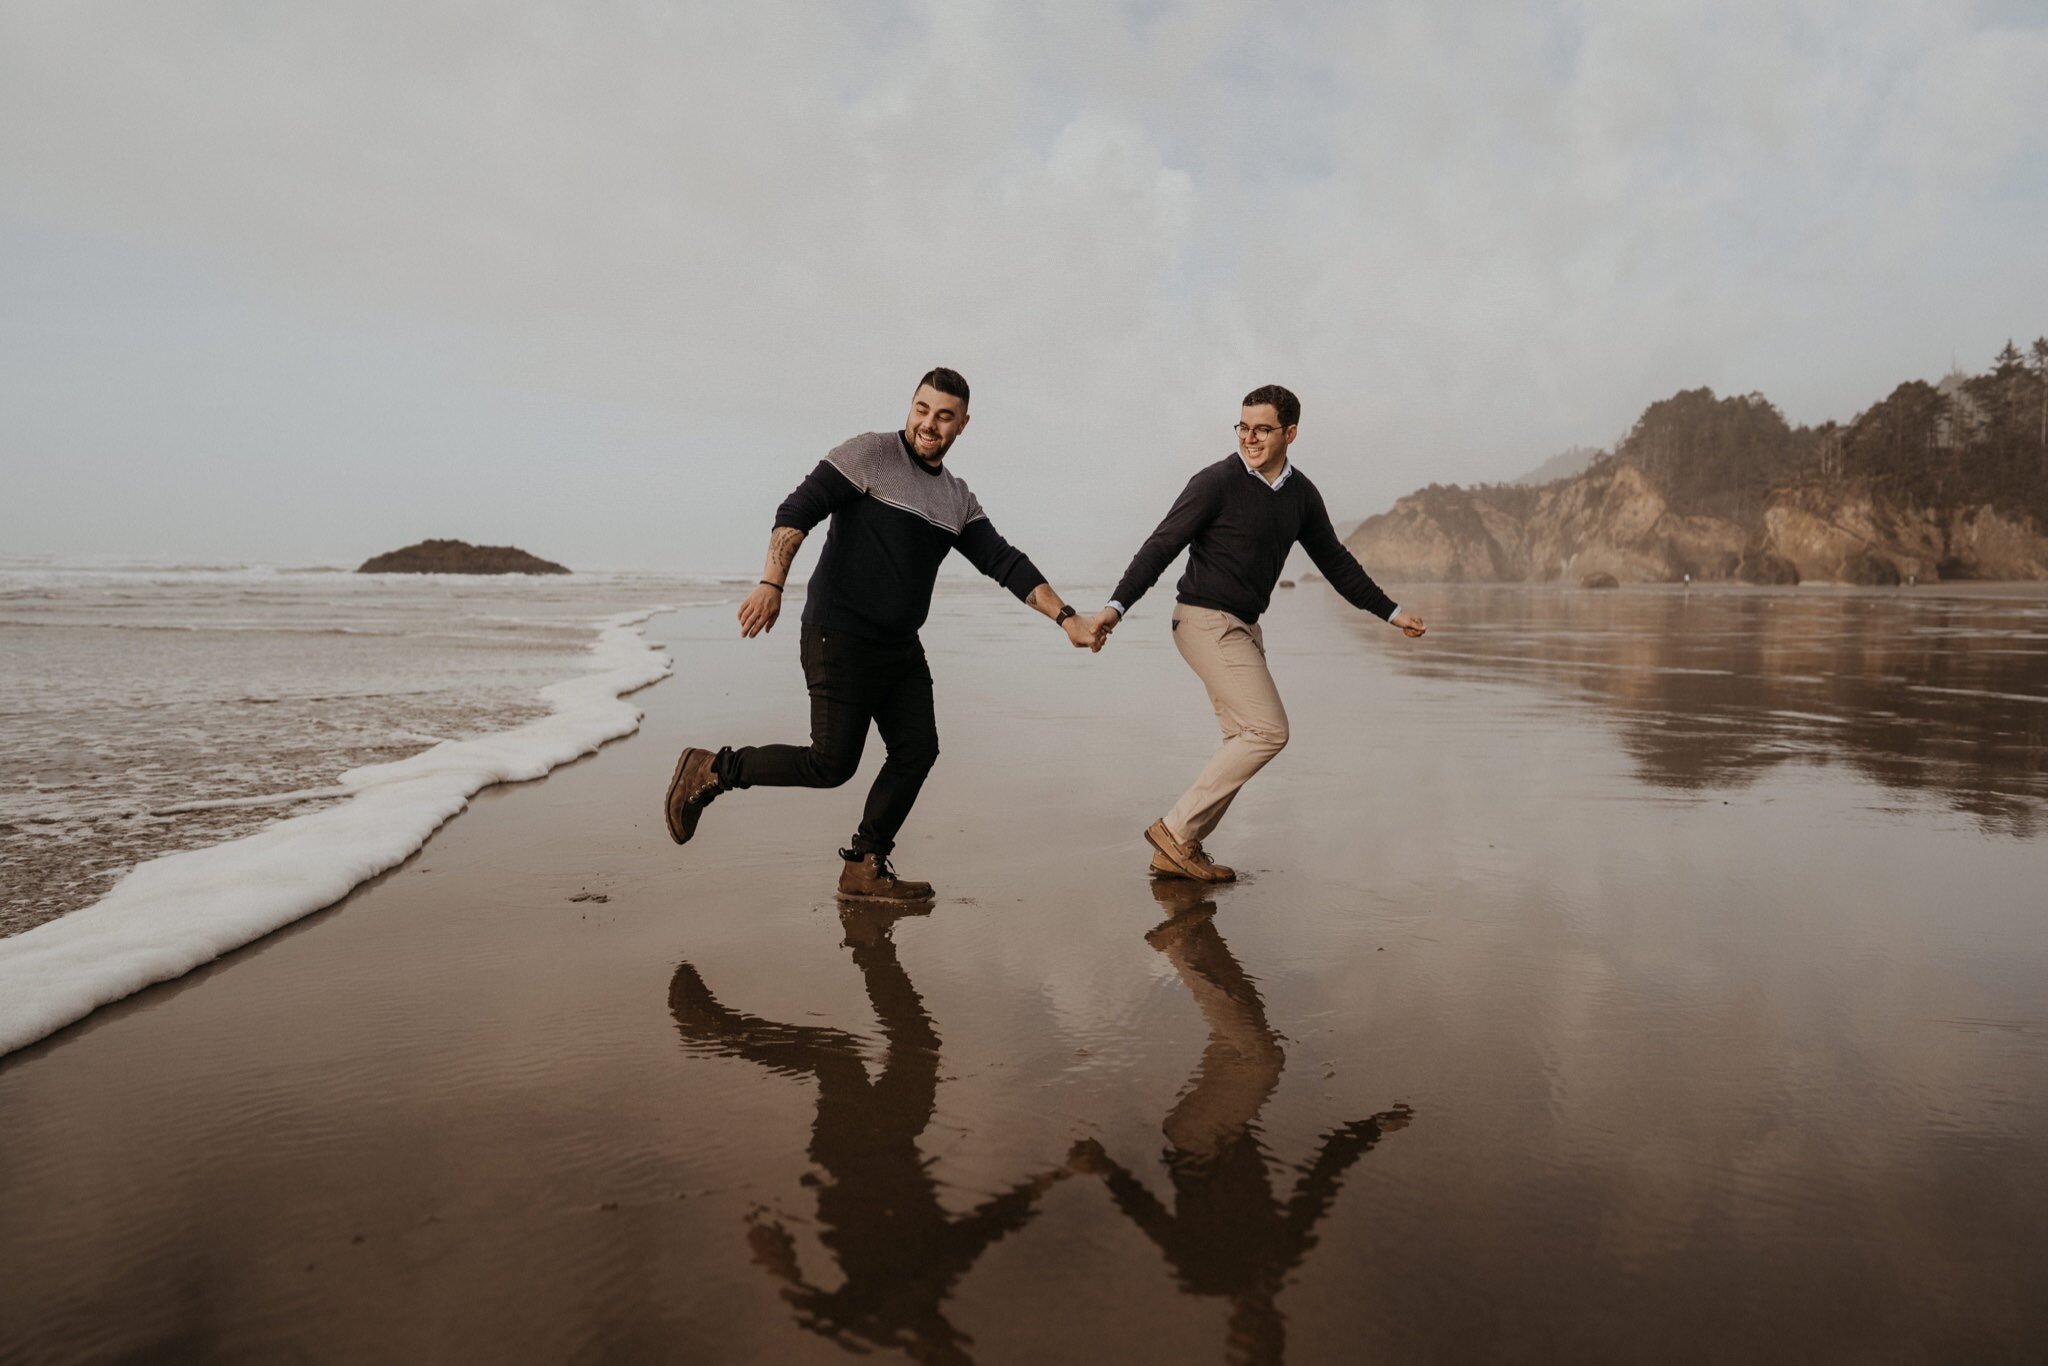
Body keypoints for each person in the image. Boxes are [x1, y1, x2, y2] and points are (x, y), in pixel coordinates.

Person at [664, 367, 1103, 902]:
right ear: (910, 406)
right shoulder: (869, 454)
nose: (928, 424)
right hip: (838, 634)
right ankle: (712, 769)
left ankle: (864, 866)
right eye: (922, 409)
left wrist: (1068, 619)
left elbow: (1005, 563)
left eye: (944, 416)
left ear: (963, 424)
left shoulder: (957, 501)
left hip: (899, 649)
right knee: (831, 765)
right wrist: (770, 583)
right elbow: (797, 510)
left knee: (917, 749)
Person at [1086, 384, 1427, 882]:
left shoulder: (1301, 495)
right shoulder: (1215, 482)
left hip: (1244, 626)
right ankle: (1175, 830)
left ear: (1289, 433)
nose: (1249, 437)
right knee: (1268, 731)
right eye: (1243, 427)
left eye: (1262, 429)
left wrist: (1390, 612)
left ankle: (1179, 850)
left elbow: (1335, 562)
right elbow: (1161, 545)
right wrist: (1115, 608)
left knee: (1241, 740)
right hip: (1204, 620)